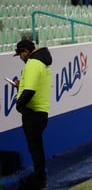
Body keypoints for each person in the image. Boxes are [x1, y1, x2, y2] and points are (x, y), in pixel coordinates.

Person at [13, 40, 52, 189]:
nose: (20, 57)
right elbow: (32, 86)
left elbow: (29, 91)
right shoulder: (42, 63)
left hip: (33, 112)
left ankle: (40, 180)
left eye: (20, 54)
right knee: (37, 146)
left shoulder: (32, 64)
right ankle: (40, 178)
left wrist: (19, 106)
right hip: (41, 111)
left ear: (25, 51)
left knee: (35, 148)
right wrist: (20, 86)